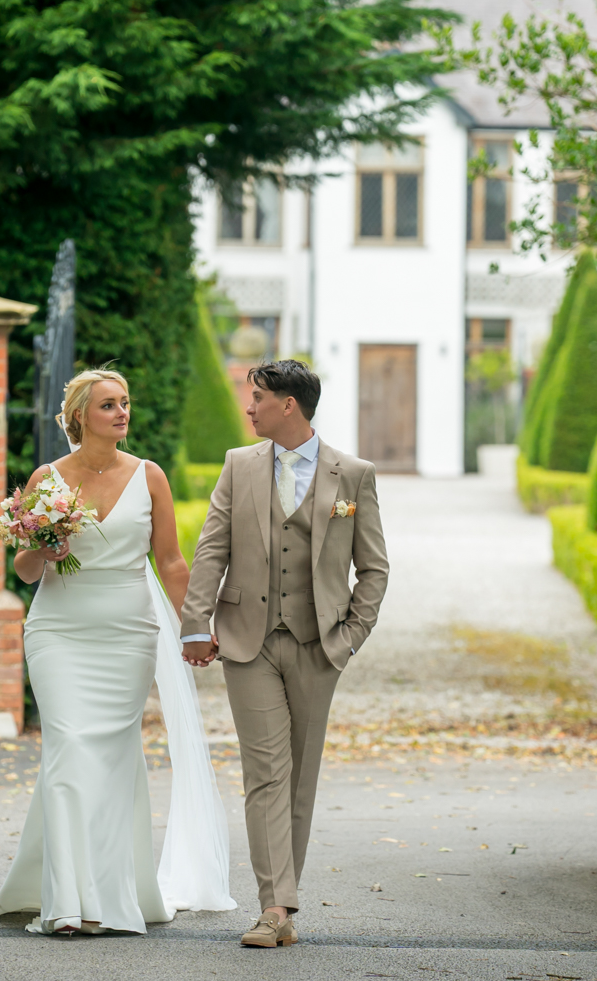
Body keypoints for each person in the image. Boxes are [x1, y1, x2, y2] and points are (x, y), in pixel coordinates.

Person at [0, 368, 235, 934]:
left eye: (125, 403)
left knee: (108, 758)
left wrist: (197, 624)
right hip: (58, 630)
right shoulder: (47, 478)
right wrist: (47, 548)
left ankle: (108, 891)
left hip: (128, 633)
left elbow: (172, 563)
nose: (122, 413)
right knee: (68, 747)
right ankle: (64, 904)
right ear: (81, 415)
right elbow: (25, 569)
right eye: (109, 405)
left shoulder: (149, 476)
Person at [180, 359, 390, 948]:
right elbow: (211, 547)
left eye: (258, 399)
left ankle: (282, 904)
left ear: (289, 405)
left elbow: (373, 569)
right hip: (248, 638)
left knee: (300, 776)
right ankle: (274, 906)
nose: (249, 408)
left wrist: (348, 637)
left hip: (318, 643)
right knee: (265, 773)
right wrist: (195, 623)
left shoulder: (353, 474)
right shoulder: (237, 466)